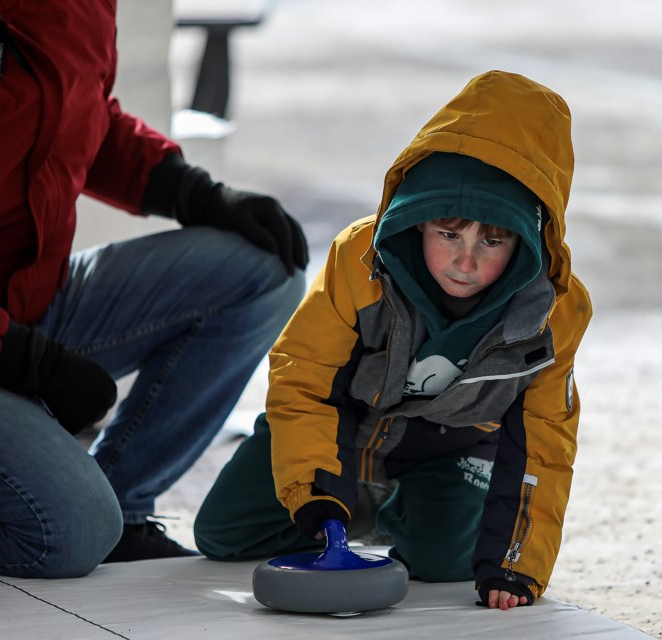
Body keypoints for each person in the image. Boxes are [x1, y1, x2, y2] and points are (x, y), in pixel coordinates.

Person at [0, 0, 307, 579]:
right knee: (71, 534)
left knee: (261, 271)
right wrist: (24, 361)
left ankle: (124, 507)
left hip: (41, 301)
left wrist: (191, 192)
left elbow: (83, 117)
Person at [193, 70, 592, 610]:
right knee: (222, 535)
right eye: (449, 233)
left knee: (445, 561)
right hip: (343, 428)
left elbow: (544, 442)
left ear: (530, 239)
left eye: (493, 240)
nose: (465, 260)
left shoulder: (553, 313)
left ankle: (396, 511)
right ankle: (341, 499)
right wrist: (312, 488)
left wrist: (514, 565)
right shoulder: (359, 261)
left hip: (450, 448)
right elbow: (304, 377)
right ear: (419, 220)